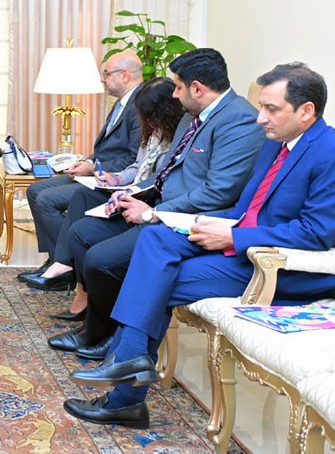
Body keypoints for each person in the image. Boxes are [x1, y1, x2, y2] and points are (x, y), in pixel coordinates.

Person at [64, 62, 335, 428]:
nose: (260, 118)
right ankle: (127, 368)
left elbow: (316, 233)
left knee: (156, 278)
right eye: (261, 107)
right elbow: (245, 210)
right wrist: (196, 222)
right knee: (156, 236)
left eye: (271, 109)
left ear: (306, 111)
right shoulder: (276, 145)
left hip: (280, 268)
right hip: (241, 249)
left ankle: (125, 383)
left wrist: (234, 237)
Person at [61, 48, 265, 358]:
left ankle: (107, 336)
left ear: (198, 88)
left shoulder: (239, 122)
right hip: (158, 206)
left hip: (188, 220)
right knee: (82, 233)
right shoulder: (193, 116)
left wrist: (154, 213)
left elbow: (218, 192)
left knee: (102, 259)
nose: (175, 94)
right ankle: (101, 328)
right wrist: (133, 192)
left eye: (179, 87)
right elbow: (165, 170)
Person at [31, 78, 183, 344]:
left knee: (89, 238)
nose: (147, 121)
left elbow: (159, 179)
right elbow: (137, 167)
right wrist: (116, 178)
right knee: (80, 207)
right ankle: (74, 279)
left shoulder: (178, 138)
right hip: (131, 191)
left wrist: (130, 191)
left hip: (148, 202)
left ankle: (84, 297)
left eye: (150, 116)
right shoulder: (153, 134)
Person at [20, 49, 145, 284]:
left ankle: (67, 264)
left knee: (46, 200)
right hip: (96, 172)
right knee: (35, 190)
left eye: (106, 73)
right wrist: (88, 162)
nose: (103, 79)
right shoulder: (121, 103)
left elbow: (132, 158)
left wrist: (94, 168)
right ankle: (56, 259)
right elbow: (107, 147)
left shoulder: (140, 106)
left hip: (112, 180)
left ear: (125, 75)